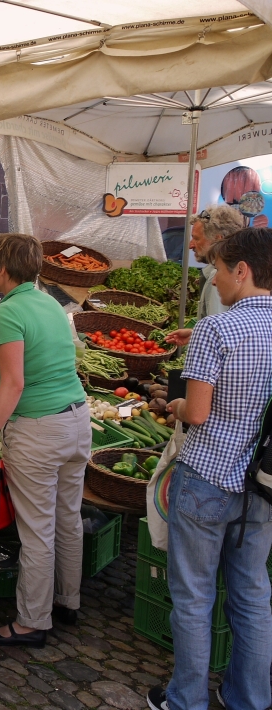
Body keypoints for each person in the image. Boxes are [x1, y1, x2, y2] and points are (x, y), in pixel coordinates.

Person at [146, 228, 272, 710]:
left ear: (241, 271)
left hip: (207, 479)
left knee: (194, 597)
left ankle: (185, 701)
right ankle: (250, 698)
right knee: (252, 593)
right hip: (261, 482)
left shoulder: (220, 329)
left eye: (218, 270)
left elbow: (196, 413)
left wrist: (176, 404)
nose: (214, 280)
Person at [0, 232, 91, 647]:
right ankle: (68, 602)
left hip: (39, 431)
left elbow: (14, 384)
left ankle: (32, 621)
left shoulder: (8, 312)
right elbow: (43, 365)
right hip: (76, 420)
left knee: (37, 531)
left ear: (2, 268)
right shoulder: (50, 302)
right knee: (68, 518)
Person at [166, 205, 246, 347]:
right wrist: (195, 334)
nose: (191, 245)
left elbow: (218, 336)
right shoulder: (240, 271)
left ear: (218, 240)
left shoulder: (218, 278)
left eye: (196, 238)